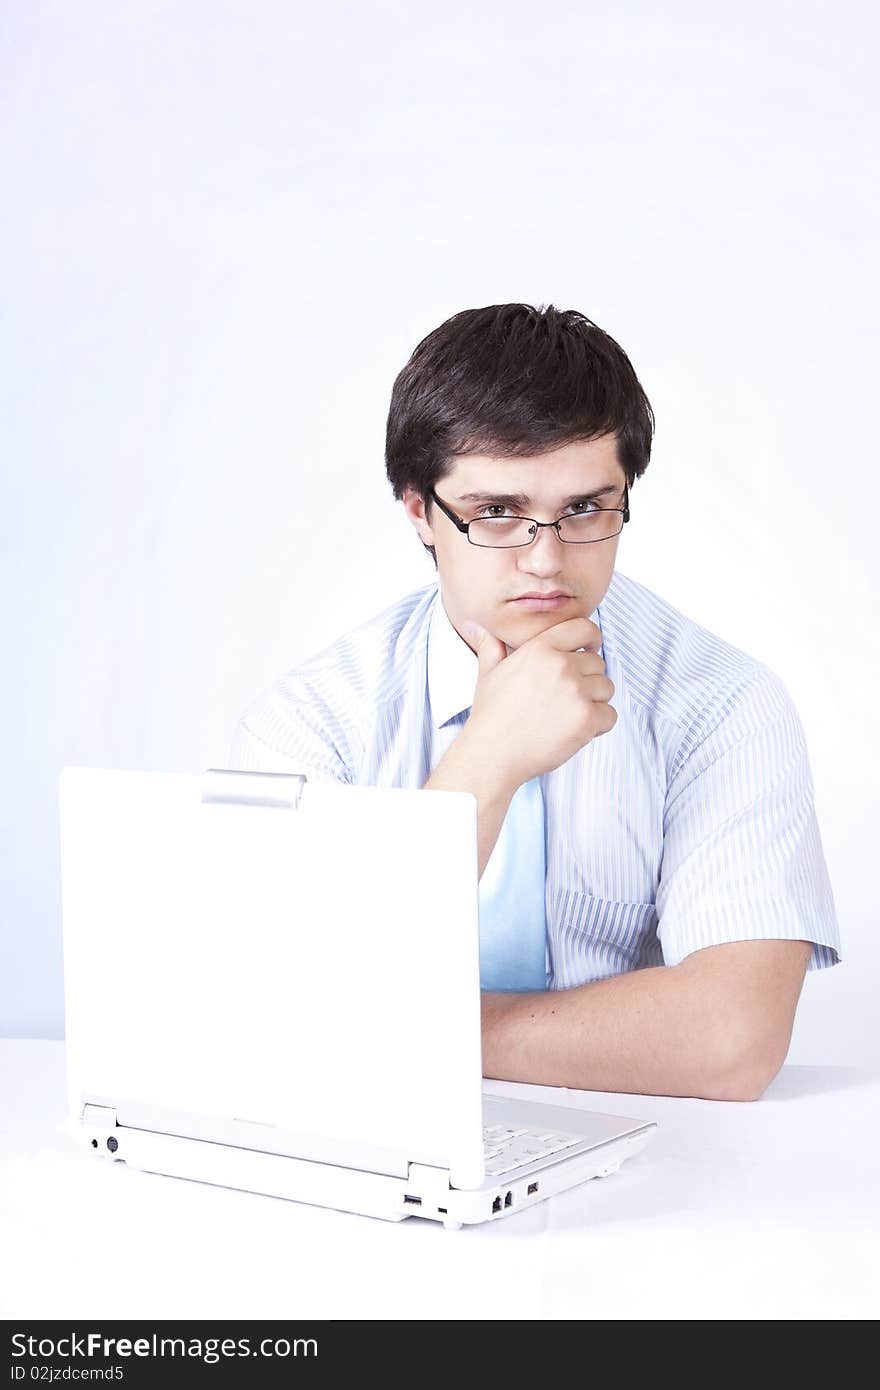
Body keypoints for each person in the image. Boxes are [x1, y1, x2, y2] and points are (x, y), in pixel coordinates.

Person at [230, 302, 841, 1102]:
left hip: (653, 1159)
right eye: (497, 513)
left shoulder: (724, 703)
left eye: (585, 508)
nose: (546, 561)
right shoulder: (315, 717)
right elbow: (263, 1014)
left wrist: (401, 1025)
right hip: (369, 1131)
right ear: (420, 511)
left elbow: (732, 1041)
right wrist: (488, 761)